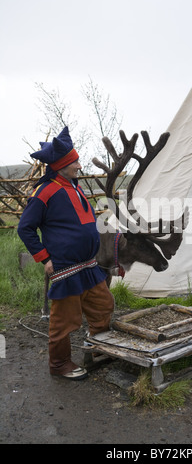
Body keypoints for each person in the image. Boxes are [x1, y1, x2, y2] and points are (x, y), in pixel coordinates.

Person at [18, 126, 114, 380]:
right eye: (75, 162)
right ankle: (59, 364)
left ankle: (97, 351)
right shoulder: (45, 191)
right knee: (65, 321)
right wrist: (44, 258)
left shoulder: (74, 186)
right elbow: (25, 228)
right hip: (66, 267)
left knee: (103, 306)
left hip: (88, 265)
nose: (79, 166)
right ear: (61, 165)